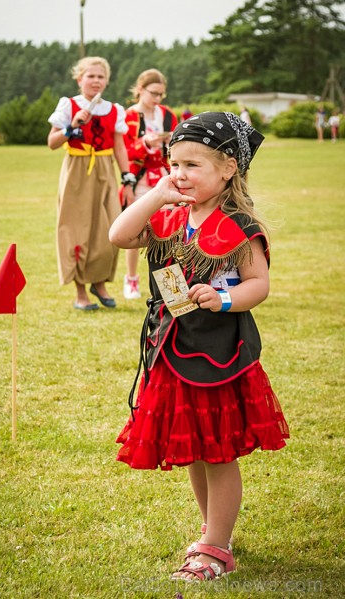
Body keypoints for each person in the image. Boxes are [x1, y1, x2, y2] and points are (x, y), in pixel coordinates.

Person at [110, 112, 289, 582]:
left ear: (228, 168)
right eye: (174, 164)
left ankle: (215, 550)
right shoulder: (169, 216)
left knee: (218, 451)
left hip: (219, 356)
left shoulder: (239, 226)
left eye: (193, 165)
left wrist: (225, 298)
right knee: (193, 448)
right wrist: (154, 195)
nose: (180, 174)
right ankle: (214, 529)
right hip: (173, 351)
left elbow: (259, 284)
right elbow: (120, 236)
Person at [48, 56, 134, 311]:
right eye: (90, 76)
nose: (96, 81)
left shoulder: (115, 109)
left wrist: (127, 177)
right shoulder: (69, 105)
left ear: (106, 81)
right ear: (79, 79)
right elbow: (51, 143)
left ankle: (99, 282)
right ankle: (80, 291)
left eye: (100, 77)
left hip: (105, 170)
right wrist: (71, 128)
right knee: (76, 229)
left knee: (110, 227)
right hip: (77, 169)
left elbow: (119, 145)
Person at [121, 69, 178, 300]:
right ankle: (131, 279)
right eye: (154, 93)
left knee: (170, 228)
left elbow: (178, 144)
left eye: (161, 94)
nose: (157, 99)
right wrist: (144, 143)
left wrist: (169, 140)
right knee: (135, 228)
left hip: (165, 175)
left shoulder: (167, 114)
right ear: (141, 90)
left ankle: (170, 283)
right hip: (140, 179)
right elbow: (123, 151)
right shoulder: (129, 117)